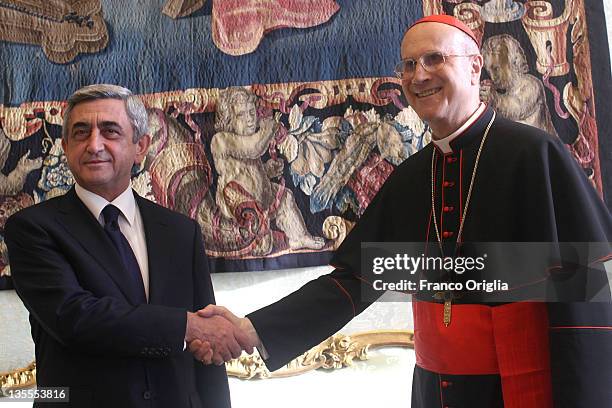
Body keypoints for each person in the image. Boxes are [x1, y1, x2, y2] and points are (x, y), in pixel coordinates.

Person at [192, 14, 612, 408]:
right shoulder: (414, 176)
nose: (419, 75)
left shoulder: (535, 155)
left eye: (434, 59)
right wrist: (250, 329)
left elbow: (582, 303)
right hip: (436, 390)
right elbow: (352, 283)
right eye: (408, 65)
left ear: (474, 67)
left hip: (520, 388)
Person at [5, 84, 256, 408]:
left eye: (110, 132)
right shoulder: (33, 229)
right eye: (81, 134)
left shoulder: (181, 231)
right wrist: (188, 326)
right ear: (65, 147)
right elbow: (75, 318)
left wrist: (203, 338)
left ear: (140, 146)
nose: (94, 145)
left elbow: (207, 355)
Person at [211, 87, 325, 254]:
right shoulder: (222, 139)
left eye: (251, 112)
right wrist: (269, 128)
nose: (250, 119)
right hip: (239, 204)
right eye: (241, 115)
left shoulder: (247, 137)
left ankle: (298, 236)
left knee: (285, 197)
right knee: (261, 239)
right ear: (228, 119)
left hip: (261, 197)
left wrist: (267, 170)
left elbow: (248, 170)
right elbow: (254, 148)